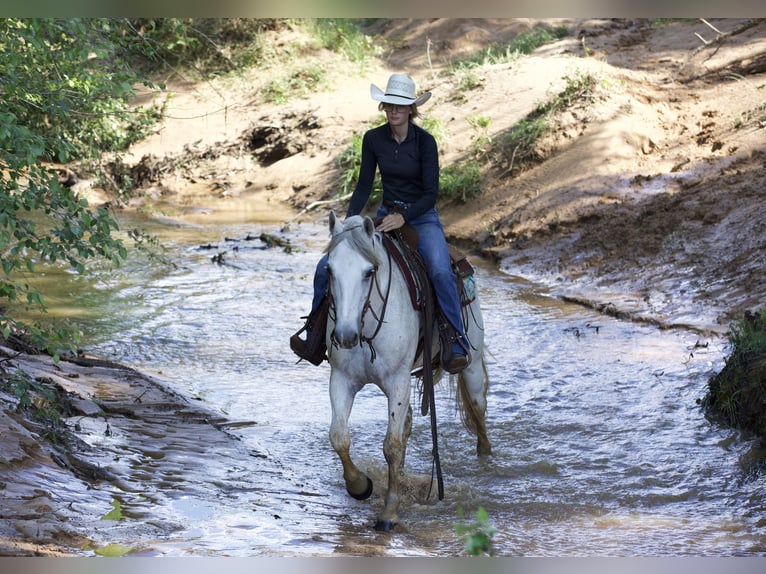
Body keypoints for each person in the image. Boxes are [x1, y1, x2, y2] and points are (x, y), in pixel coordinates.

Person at [290, 73, 471, 373]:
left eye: (401, 105)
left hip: (421, 217)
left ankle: (455, 339)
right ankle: (314, 333)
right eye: (389, 104)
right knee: (326, 265)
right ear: (384, 106)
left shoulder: (425, 143)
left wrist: (405, 216)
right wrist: (348, 227)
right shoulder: (373, 139)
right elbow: (363, 185)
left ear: (411, 109)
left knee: (439, 270)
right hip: (385, 214)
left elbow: (431, 194)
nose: (394, 110)